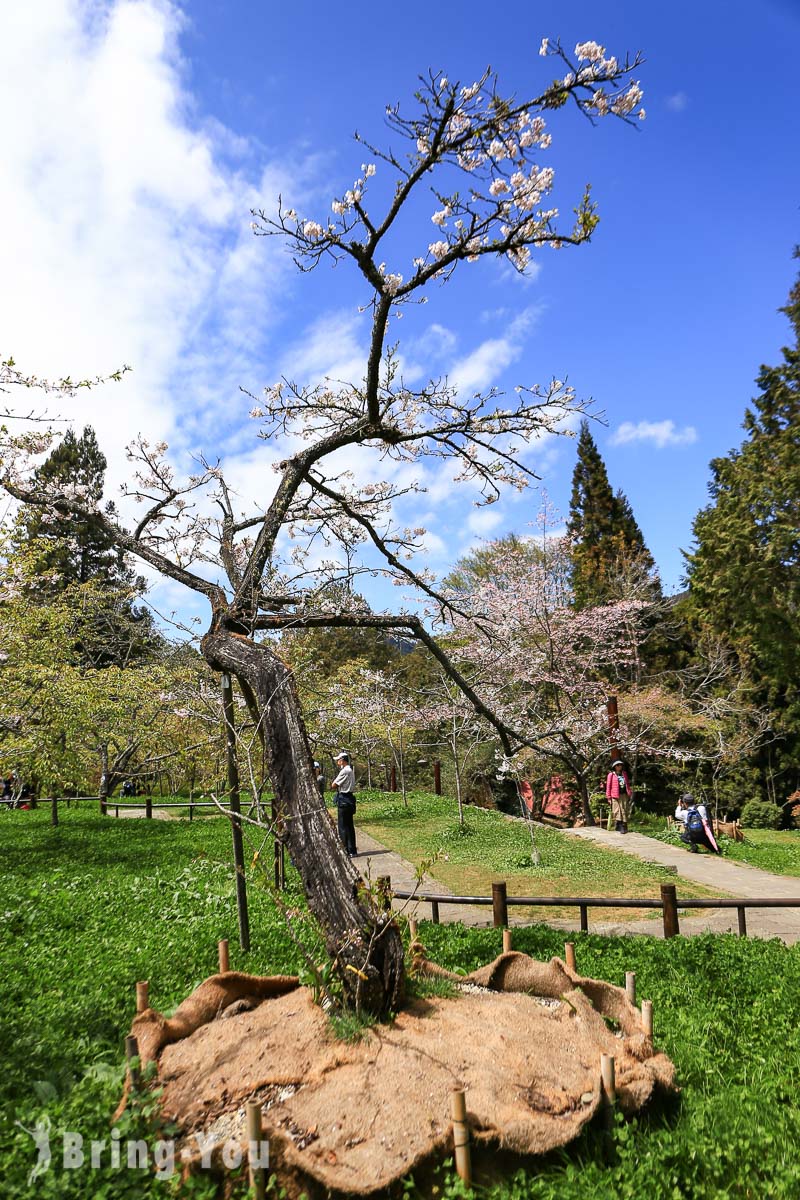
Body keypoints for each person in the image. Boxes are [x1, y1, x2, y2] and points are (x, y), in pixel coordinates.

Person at [331, 751, 357, 857]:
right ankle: (352, 850)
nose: (337, 761)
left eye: (338, 759)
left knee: (342, 826)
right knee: (349, 826)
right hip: (350, 799)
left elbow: (334, 785)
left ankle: (345, 850)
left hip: (344, 799)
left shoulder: (345, 771)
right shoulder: (349, 770)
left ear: (342, 760)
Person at [605, 758, 632, 833]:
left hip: (624, 794)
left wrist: (629, 792)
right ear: (615, 766)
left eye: (620, 765)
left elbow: (627, 784)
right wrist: (608, 797)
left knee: (624, 809)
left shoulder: (624, 774)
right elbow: (608, 786)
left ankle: (624, 825)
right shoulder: (611, 775)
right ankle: (620, 825)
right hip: (615, 795)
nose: (619, 766)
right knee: (617, 810)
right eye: (618, 765)